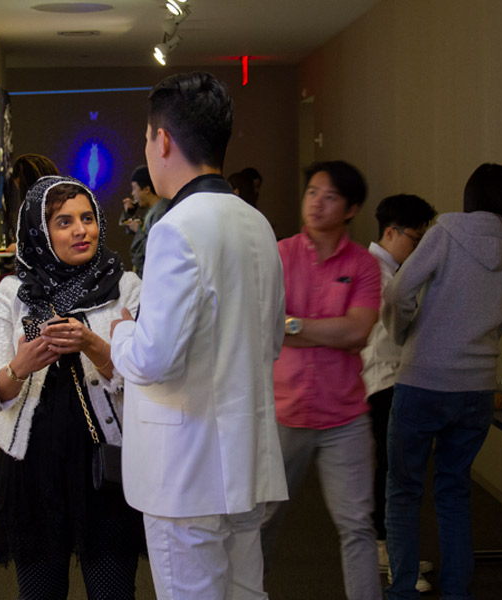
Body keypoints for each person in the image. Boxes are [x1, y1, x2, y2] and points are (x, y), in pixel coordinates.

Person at [110, 71, 288, 599]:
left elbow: (154, 358)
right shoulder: (256, 223)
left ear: (162, 140)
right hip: (245, 458)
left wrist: (122, 333)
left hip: (184, 471)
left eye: (147, 136)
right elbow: (272, 339)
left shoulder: (174, 228)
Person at [382, 163, 502, 600]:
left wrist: (403, 334)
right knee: (453, 491)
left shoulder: (445, 230)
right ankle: (456, 593)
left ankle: (403, 591)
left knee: (404, 491)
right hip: (476, 394)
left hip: (422, 383)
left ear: (471, 197)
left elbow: (397, 293)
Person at [0, 175, 145, 599]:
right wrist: (20, 366)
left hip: (104, 462)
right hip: (33, 465)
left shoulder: (125, 287)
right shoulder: (12, 293)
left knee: (113, 589)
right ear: (40, 231)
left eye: (87, 218)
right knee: (40, 592)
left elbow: (140, 376)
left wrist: (92, 344)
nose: (81, 230)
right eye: (64, 222)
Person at [262, 160, 383, 600]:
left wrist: (292, 326)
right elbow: (265, 324)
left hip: (344, 417)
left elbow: (357, 332)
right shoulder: (280, 254)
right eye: (312, 192)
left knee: (356, 526)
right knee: (263, 520)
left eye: (329, 196)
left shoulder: (364, 265)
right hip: (285, 412)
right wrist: (320, 329)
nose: (316, 203)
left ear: (351, 208)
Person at [360, 194, 438, 593]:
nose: (420, 247)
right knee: (393, 470)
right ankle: (386, 551)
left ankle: (394, 548)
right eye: (416, 237)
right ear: (390, 233)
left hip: (391, 378)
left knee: (396, 469)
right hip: (383, 380)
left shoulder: (389, 269)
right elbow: (397, 330)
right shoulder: (378, 273)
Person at [118, 165, 169, 276]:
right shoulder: (153, 210)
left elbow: (152, 249)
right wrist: (130, 212)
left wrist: (138, 230)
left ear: (146, 189)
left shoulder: (161, 212)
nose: (132, 194)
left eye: (134, 188)